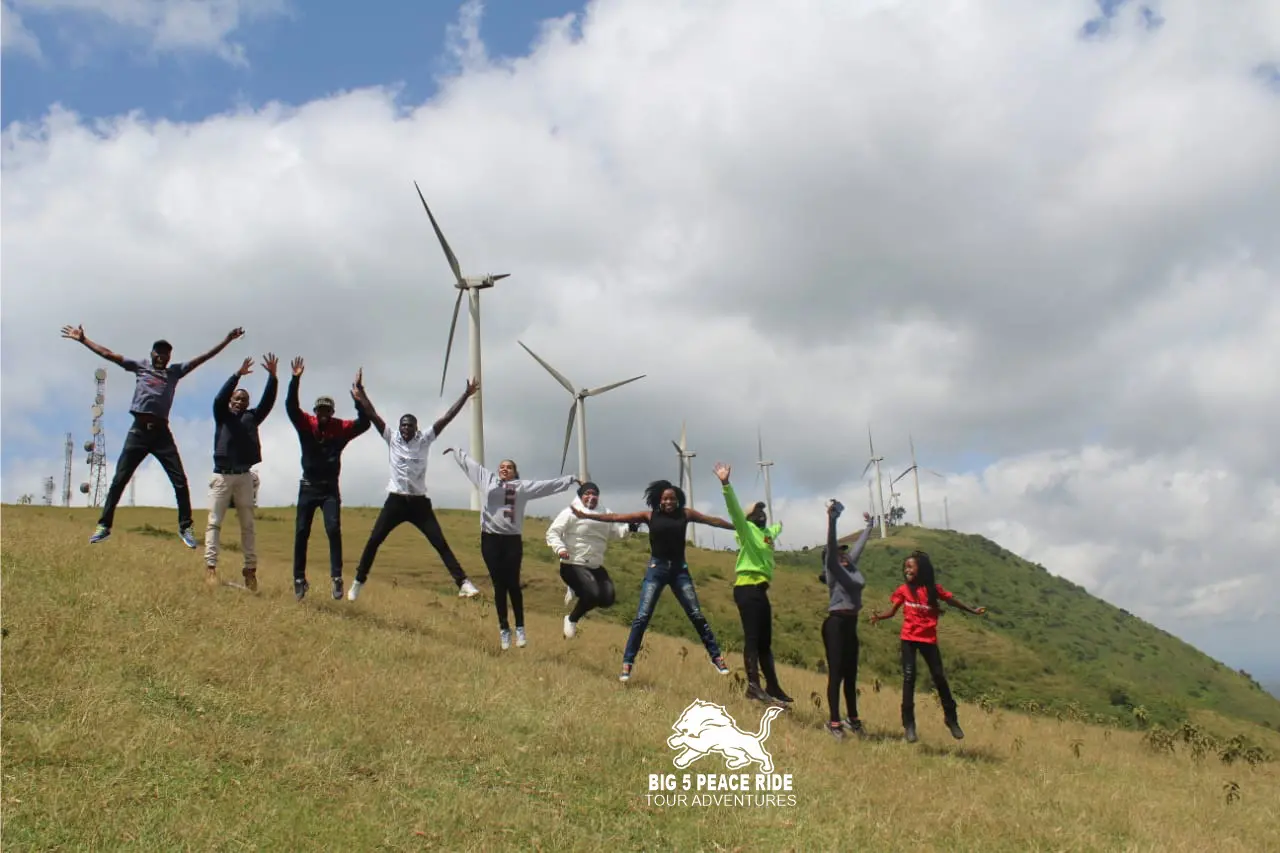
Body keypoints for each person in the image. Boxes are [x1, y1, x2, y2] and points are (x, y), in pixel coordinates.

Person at [60, 324, 244, 546]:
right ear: (152, 354)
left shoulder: (174, 372)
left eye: (166, 353)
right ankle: (104, 526)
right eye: (158, 352)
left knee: (180, 481)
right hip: (138, 431)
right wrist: (84, 340)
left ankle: (185, 527)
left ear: (169, 357)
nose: (162, 356)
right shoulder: (140, 367)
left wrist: (227, 340)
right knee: (119, 479)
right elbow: (109, 354)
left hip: (161, 434)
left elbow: (203, 358)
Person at [571, 479, 735, 683]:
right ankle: (627, 663)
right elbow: (615, 517)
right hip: (656, 570)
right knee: (642, 617)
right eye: (665, 499)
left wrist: (738, 527)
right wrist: (586, 515)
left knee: (696, 614)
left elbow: (712, 521)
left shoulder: (686, 514)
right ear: (659, 500)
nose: (669, 502)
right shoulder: (648, 516)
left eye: (672, 499)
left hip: (679, 571)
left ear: (678, 499)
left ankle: (716, 657)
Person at [346, 375, 482, 602]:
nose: (406, 428)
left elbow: (447, 417)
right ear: (399, 427)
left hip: (419, 503)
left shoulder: (425, 439)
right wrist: (361, 393)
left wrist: (466, 395)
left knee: (440, 543)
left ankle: (463, 583)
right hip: (396, 501)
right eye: (403, 425)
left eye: (410, 425)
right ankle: (358, 582)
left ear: (416, 427)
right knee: (374, 540)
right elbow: (372, 414)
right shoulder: (392, 438)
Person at [444, 449, 579, 649]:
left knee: (513, 584)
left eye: (509, 467)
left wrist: (571, 479)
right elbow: (471, 466)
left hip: (512, 540)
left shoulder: (522, 487)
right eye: (502, 467)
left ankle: (520, 628)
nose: (504, 469)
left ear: (515, 472)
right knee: (499, 584)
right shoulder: (488, 481)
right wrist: (457, 451)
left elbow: (546, 487)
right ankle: (504, 629)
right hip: (490, 539)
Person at [869, 549, 987, 743]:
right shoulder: (903, 590)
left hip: (928, 640)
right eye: (905, 567)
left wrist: (972, 610)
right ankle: (909, 724)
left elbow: (952, 601)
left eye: (911, 566)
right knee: (909, 677)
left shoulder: (933, 589)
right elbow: (892, 611)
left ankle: (951, 719)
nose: (907, 570)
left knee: (939, 677)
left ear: (921, 569)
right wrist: (879, 617)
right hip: (908, 638)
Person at [285, 356, 371, 602]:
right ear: (315, 412)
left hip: (330, 489)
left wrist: (358, 397)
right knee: (302, 531)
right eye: (320, 410)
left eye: (327, 410)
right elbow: (291, 407)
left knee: (333, 529)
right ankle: (299, 578)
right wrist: (295, 380)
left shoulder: (339, 428)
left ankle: (336, 577)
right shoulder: (306, 424)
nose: (323, 414)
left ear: (332, 412)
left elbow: (364, 423)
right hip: (308, 487)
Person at [712, 462, 791, 706]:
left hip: (761, 590)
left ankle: (773, 685)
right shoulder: (746, 529)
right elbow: (734, 509)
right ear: (748, 517)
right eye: (757, 512)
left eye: (763, 512)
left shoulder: (766, 534)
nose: (762, 515)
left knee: (766, 642)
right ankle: (753, 686)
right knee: (753, 639)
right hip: (747, 589)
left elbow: (774, 530)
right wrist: (726, 484)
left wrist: (781, 524)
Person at [204, 353, 278, 591]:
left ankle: (250, 570)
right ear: (231, 401)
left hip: (244, 476)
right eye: (236, 398)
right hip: (222, 475)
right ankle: (211, 568)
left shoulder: (252, 417)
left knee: (248, 526)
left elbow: (268, 402)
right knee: (214, 523)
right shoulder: (222, 415)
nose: (239, 402)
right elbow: (219, 398)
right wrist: (237, 375)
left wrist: (273, 377)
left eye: (243, 400)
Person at [545, 481, 631, 639]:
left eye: (594, 494)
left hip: (595, 566)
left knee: (607, 599)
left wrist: (629, 528)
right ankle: (571, 619)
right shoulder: (570, 512)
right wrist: (560, 549)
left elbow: (616, 533)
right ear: (580, 496)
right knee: (592, 594)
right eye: (587, 494)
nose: (591, 497)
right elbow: (553, 532)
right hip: (573, 563)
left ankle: (577, 590)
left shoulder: (605, 513)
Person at [819, 499, 875, 740]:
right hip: (836, 625)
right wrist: (832, 520)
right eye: (839, 553)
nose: (843, 554)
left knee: (851, 675)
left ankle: (853, 720)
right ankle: (834, 723)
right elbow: (832, 546)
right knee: (837, 674)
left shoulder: (851, 567)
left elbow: (859, 547)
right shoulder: (835, 569)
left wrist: (870, 526)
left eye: (844, 552)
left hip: (851, 625)